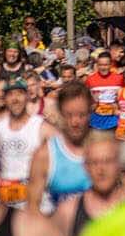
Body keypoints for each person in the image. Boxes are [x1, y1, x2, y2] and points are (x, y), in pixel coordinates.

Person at [28, 81, 94, 212]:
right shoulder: (45, 155)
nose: (75, 122)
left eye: (81, 115)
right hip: (58, 229)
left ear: (90, 112)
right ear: (60, 114)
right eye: (69, 115)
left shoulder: (104, 150)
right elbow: (32, 211)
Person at [0, 81, 52, 209]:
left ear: (27, 96)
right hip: (5, 206)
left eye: (20, 94)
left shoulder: (42, 127)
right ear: (5, 98)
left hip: (36, 206)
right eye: (10, 94)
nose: (15, 99)